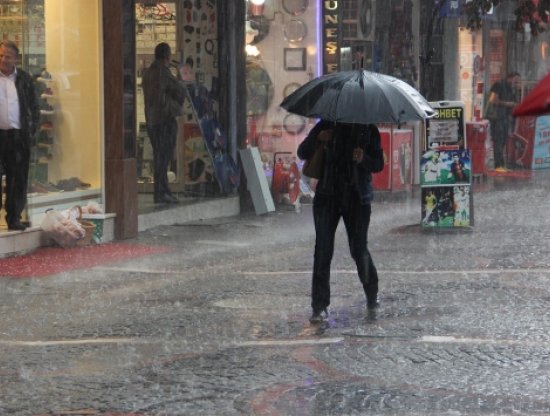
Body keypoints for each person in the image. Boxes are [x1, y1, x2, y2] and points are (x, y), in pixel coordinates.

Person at [297, 120, 384, 323]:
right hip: (327, 196)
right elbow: (303, 152)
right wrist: (318, 139)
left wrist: (364, 159)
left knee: (359, 249)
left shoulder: (368, 128)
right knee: (323, 250)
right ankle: (319, 306)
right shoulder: (327, 125)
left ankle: (372, 294)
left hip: (357, 197)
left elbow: (378, 163)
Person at [0, 40, 40, 231]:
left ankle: (14, 217)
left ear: (16, 58)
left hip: (18, 137)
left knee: (18, 178)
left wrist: (31, 131)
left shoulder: (24, 79)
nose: (3, 60)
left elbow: (34, 107)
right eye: (0, 55)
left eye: (7, 56)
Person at [141, 42, 186, 204]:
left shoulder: (148, 73)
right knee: (164, 157)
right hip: (164, 119)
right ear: (167, 56)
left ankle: (159, 191)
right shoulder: (163, 72)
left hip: (152, 119)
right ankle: (162, 192)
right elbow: (179, 90)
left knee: (159, 156)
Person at [487, 72, 520, 172]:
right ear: (509, 78)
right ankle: (498, 166)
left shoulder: (511, 88)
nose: (516, 82)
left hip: (505, 118)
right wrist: (507, 104)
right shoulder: (498, 84)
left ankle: (502, 164)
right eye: (515, 80)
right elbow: (492, 100)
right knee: (498, 141)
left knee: (504, 141)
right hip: (496, 118)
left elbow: (514, 103)